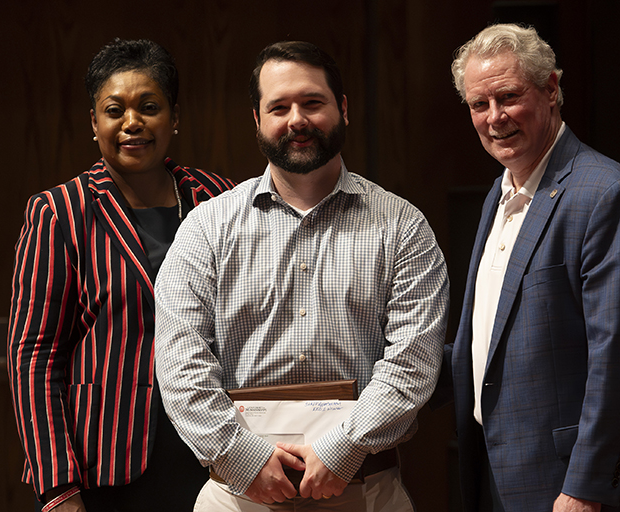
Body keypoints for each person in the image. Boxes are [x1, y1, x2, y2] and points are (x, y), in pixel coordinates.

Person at [153, 41, 449, 512]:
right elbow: (179, 363)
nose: (297, 120)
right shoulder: (206, 228)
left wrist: (344, 448)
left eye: (313, 102)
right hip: (237, 494)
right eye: (279, 106)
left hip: (366, 491)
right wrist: (238, 455)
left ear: (343, 108)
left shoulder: (402, 226)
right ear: (257, 119)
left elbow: (413, 363)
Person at [440, 24, 620, 511]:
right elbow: (484, 345)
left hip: (573, 489)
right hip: (502, 475)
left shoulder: (606, 195)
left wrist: (586, 486)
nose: (495, 118)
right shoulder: (499, 193)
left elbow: (619, 358)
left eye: (509, 97)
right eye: (479, 104)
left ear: (551, 89)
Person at [7, 38, 235, 512]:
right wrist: (57, 489)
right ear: (95, 123)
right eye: (115, 110)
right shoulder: (61, 212)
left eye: (149, 107)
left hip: (217, 454)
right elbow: (33, 356)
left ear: (174, 116)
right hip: (106, 463)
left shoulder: (219, 199)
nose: (132, 123)